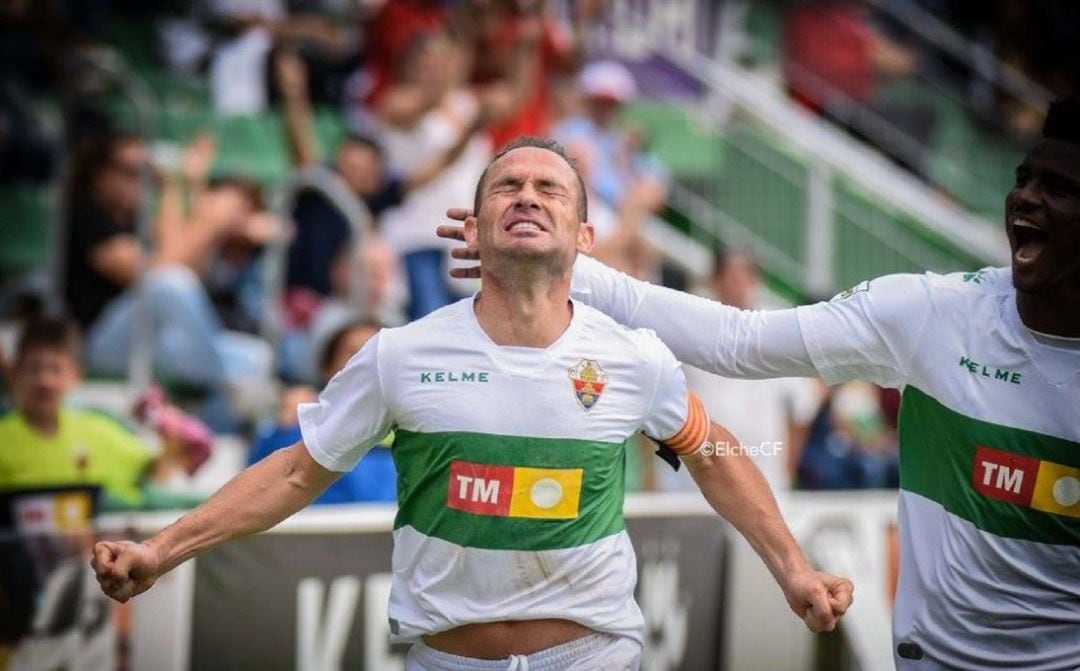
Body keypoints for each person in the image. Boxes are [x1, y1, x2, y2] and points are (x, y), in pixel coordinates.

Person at [92, 138, 852, 670]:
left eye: (548, 187)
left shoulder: (634, 356)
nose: (526, 195)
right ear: (475, 230)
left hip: (593, 655)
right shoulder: (399, 354)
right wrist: (163, 549)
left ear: (586, 235)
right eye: (507, 187)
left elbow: (713, 453)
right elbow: (295, 472)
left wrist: (793, 569)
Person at [437, 94, 1080, 670]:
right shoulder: (933, 314)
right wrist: (567, 264)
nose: (1027, 198)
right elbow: (736, 342)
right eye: (1024, 179)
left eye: (1058, 188)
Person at [667, 248, 821, 494]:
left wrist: (788, 468)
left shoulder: (775, 327)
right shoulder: (688, 324)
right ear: (715, 280)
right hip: (698, 471)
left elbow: (803, 409)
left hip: (764, 471)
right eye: (733, 277)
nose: (740, 286)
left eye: (747, 277)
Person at [0, 318, 197, 509]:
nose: (45, 380)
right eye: (34, 369)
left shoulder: (99, 429)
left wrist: (173, 438)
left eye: (56, 369)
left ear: (76, 374)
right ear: (15, 372)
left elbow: (153, 476)